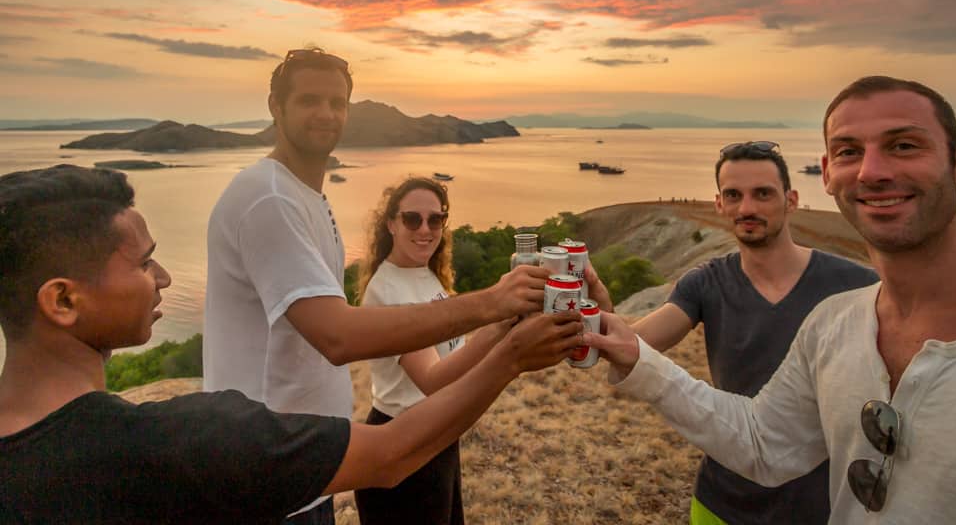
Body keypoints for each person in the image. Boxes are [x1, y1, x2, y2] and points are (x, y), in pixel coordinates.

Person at [0, 165, 582, 524]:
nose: (163, 278)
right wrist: (509, 353)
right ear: (63, 301)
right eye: (143, 262)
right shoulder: (180, 442)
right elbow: (390, 455)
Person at [587, 77, 956, 523]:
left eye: (904, 145)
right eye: (848, 151)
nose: (872, 171)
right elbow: (765, 443)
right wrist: (614, 337)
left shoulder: (845, 283)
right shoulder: (833, 324)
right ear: (827, 174)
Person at [203, 47, 552, 522]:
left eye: (337, 102)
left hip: (302, 465)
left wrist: (500, 318)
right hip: (267, 472)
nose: (326, 114)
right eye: (308, 100)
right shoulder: (268, 199)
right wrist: (493, 302)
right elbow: (339, 336)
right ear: (275, 107)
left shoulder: (302, 198)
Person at [632, 140, 877, 524]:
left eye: (763, 194)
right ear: (719, 205)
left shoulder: (856, 284)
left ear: (791, 200)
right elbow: (637, 343)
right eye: (734, 195)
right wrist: (594, 317)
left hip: (821, 506)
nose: (747, 208)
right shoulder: (705, 284)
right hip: (720, 502)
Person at [353, 177, 507, 524]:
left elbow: (451, 359)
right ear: (391, 223)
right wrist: (499, 326)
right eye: (412, 219)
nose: (425, 229)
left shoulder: (426, 274)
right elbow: (432, 379)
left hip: (435, 435)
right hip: (403, 441)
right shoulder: (387, 289)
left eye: (435, 219)